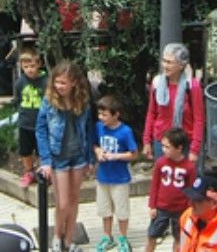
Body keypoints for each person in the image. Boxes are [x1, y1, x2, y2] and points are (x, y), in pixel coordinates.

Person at [36, 61, 95, 252]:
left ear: (74, 83)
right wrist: (45, 161)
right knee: (62, 202)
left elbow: (89, 130)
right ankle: (57, 236)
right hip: (58, 157)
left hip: (78, 155)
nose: (59, 86)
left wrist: (90, 159)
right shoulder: (49, 101)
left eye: (63, 83)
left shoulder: (83, 101)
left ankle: (69, 240)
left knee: (74, 200)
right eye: (57, 82)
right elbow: (41, 129)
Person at [143, 43, 205, 165]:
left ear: (181, 65)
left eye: (170, 62)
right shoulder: (156, 83)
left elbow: (199, 119)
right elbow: (151, 113)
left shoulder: (192, 86)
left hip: (184, 143)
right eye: (164, 61)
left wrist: (194, 149)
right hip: (161, 141)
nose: (165, 65)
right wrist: (146, 141)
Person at [94, 95, 139, 252]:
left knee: (121, 210)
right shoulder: (99, 127)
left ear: (116, 114)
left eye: (105, 114)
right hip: (103, 176)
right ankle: (107, 236)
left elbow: (134, 154)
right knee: (104, 209)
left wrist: (116, 156)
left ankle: (123, 237)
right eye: (100, 114)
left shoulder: (125, 131)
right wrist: (99, 152)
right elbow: (95, 145)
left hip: (120, 178)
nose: (101, 118)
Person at [145, 127, 196, 252]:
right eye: (163, 146)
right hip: (161, 208)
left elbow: (192, 190)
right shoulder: (160, 163)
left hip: (181, 210)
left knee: (179, 238)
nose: (164, 150)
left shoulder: (189, 167)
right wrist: (152, 205)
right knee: (152, 235)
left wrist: (191, 209)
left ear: (179, 148)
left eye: (167, 147)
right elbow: (155, 185)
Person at [14, 47, 46, 189]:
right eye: (26, 67)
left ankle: (42, 173)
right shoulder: (20, 82)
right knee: (25, 151)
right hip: (25, 123)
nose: (29, 69)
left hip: (41, 125)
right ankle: (29, 172)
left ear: (39, 64)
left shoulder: (45, 81)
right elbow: (18, 99)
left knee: (41, 150)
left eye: (32, 66)